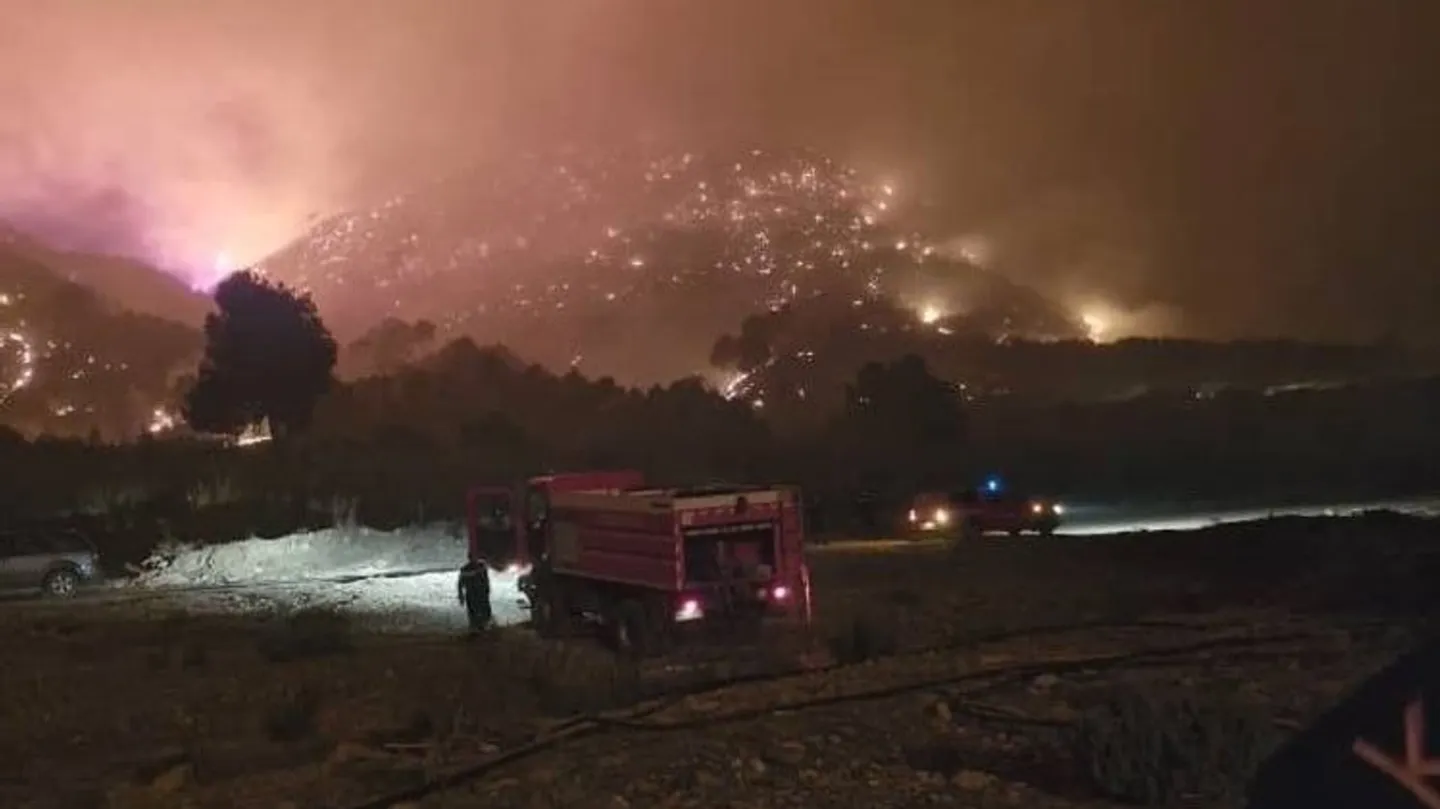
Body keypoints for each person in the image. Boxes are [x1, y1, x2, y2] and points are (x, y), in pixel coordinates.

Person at [457, 559, 493, 634]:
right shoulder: (481, 567)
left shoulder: (465, 569)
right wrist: (487, 589)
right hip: (478, 592)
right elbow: (486, 580)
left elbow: (460, 583)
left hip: (474, 593)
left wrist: (461, 595)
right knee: (481, 610)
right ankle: (482, 626)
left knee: (475, 611)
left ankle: (477, 627)